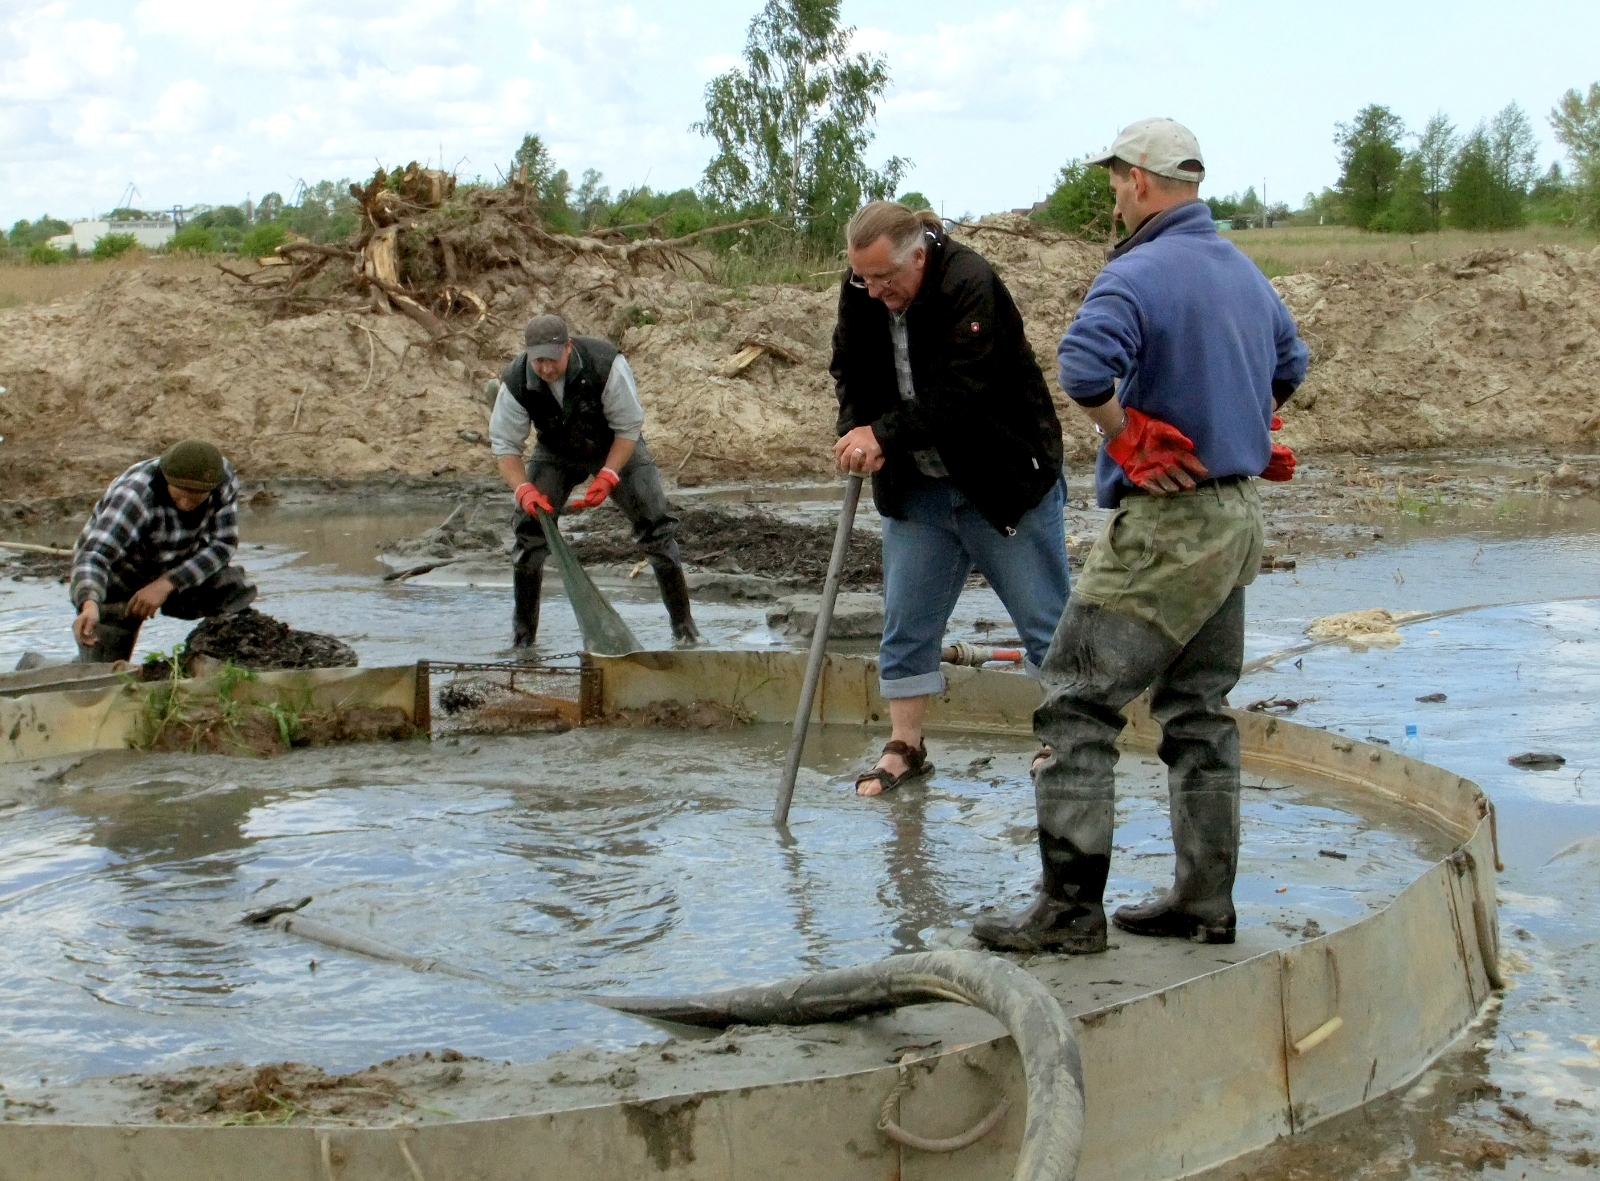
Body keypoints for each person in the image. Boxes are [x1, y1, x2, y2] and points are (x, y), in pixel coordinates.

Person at [972, 118, 1308, 954]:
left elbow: (1083, 366)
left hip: (1167, 527)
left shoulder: (1138, 272)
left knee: (1077, 699)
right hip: (1234, 520)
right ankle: (1205, 902)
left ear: (1141, 183)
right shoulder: (1242, 271)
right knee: (1198, 710)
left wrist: (1126, 433)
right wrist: (1245, 420)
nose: (1115, 195)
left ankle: (1069, 909)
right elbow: (1291, 365)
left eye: (1117, 181)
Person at [832, 201, 1071, 795]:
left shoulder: (970, 282)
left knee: (1048, 624)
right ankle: (905, 747)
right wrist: (855, 431)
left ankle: (1070, 741)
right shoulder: (862, 289)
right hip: (919, 489)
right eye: (865, 278)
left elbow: (962, 395)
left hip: (1001, 480)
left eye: (887, 277)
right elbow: (851, 370)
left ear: (919, 253)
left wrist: (883, 434)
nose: (877, 290)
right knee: (906, 623)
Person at [490, 314, 698, 649]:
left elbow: (629, 427)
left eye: (552, 359)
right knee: (529, 534)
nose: (545, 368)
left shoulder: (605, 363)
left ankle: (685, 631)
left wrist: (609, 474)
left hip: (613, 443)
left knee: (656, 528)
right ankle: (523, 639)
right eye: (538, 360)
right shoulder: (516, 379)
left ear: (568, 348)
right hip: (556, 449)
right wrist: (523, 489)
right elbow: (505, 447)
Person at [70, 439, 257, 663]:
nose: (186, 504)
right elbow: (93, 557)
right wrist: (89, 604)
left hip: (177, 566)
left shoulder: (219, 477)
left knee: (231, 586)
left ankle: (231, 656)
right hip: (118, 578)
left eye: (196, 497)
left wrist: (167, 583)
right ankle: (39, 665)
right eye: (179, 495)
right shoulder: (135, 496)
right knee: (102, 674)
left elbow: (223, 544)